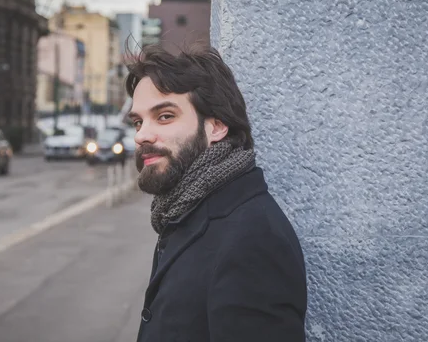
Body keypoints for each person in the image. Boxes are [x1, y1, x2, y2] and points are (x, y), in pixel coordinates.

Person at [125, 44, 307, 342]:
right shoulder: (183, 211)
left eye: (165, 116)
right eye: (138, 121)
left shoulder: (252, 238)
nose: (141, 134)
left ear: (217, 126)